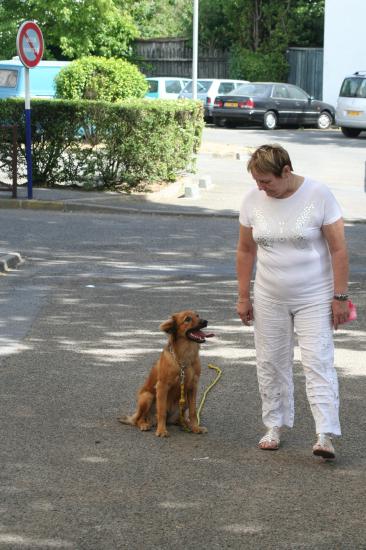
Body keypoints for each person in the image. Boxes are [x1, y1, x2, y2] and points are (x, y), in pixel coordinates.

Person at [236, 144, 349, 459]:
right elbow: (246, 250)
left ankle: (325, 434)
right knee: (270, 361)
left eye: (266, 181)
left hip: (314, 295)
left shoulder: (319, 195)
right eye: (257, 181)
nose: (261, 187)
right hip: (269, 295)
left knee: (317, 362)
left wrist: (340, 297)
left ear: (286, 171)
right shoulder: (252, 201)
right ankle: (274, 425)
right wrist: (243, 296)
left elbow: (339, 249)